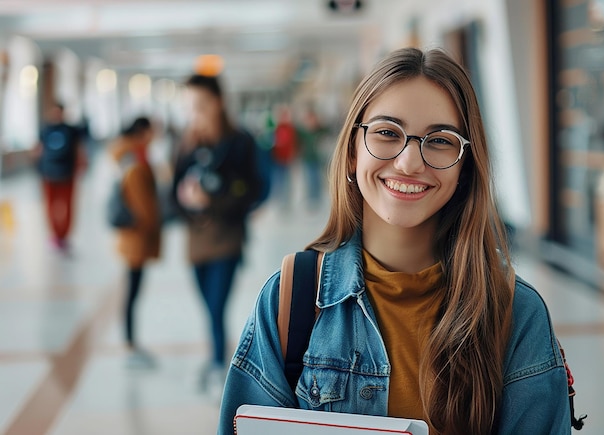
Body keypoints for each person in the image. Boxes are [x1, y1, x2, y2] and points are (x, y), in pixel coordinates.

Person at [218, 47, 571, 434]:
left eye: (440, 140)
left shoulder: (514, 313)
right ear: (353, 150)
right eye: (387, 133)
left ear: (464, 167)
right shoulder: (291, 300)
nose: (409, 162)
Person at [172, 74, 261, 395]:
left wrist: (215, 199)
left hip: (227, 237)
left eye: (200, 105)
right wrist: (186, 201)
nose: (194, 113)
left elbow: (254, 190)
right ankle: (216, 361)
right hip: (196, 240)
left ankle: (218, 365)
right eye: (189, 106)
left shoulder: (239, 142)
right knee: (207, 306)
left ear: (218, 102)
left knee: (216, 306)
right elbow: (172, 196)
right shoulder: (186, 144)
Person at [109, 117, 161, 369]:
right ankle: (130, 344)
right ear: (142, 132)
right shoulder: (134, 159)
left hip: (132, 237)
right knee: (132, 291)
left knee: (132, 290)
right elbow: (144, 205)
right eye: (152, 131)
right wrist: (156, 219)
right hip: (136, 238)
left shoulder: (127, 155)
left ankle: (131, 342)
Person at [34, 102, 86, 252]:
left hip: (67, 173)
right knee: (50, 205)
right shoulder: (45, 129)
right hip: (49, 173)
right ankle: (55, 235)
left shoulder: (71, 130)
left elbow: (79, 149)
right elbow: (39, 149)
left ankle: (64, 235)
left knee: (68, 204)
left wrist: (81, 164)